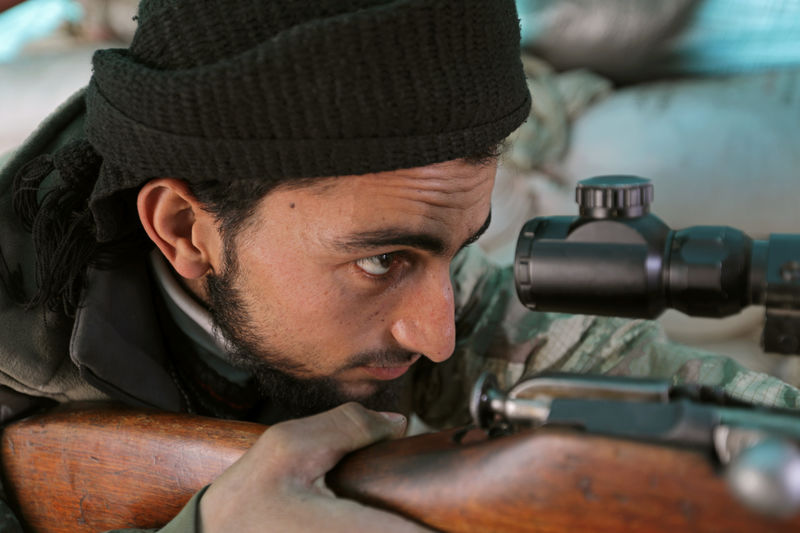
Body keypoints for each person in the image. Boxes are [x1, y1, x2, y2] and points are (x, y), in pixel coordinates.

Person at [0, 1, 798, 531]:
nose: (440, 333)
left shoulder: (457, 303)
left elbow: (699, 409)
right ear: (185, 229)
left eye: (455, 247)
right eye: (384, 259)